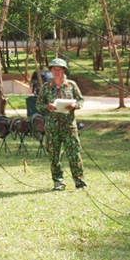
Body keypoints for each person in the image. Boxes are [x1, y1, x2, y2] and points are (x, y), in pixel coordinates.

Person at [35, 57, 86, 191]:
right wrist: (48, 106)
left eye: (59, 69)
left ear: (64, 70)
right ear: (51, 71)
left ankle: (79, 182)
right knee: (54, 155)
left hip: (69, 126)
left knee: (74, 154)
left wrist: (75, 105)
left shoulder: (72, 85)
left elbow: (81, 100)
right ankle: (58, 182)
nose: (56, 71)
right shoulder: (46, 88)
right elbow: (39, 105)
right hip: (52, 127)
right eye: (54, 69)